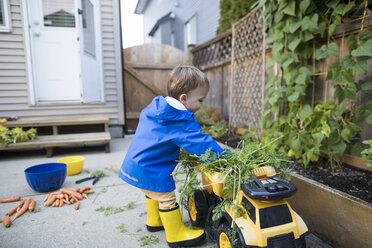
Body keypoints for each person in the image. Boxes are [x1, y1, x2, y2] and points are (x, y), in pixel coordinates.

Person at [119, 65, 225, 247]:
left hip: (134, 164)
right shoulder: (178, 121)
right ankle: (176, 235)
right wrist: (223, 156)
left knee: (153, 193)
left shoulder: (158, 109)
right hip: (149, 169)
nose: (202, 105)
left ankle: (154, 221)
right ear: (184, 98)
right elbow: (200, 143)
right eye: (200, 100)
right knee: (166, 196)